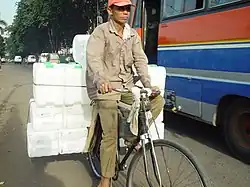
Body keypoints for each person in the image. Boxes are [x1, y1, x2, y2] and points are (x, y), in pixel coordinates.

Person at [86, 0, 165, 186]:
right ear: (110, 10)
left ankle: (130, 137)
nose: (125, 12)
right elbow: (94, 60)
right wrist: (101, 80)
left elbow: (140, 61)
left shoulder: (133, 36)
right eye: (120, 8)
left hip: (126, 87)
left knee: (157, 101)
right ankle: (105, 179)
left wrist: (148, 85)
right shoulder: (101, 32)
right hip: (106, 89)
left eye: (127, 8)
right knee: (111, 133)